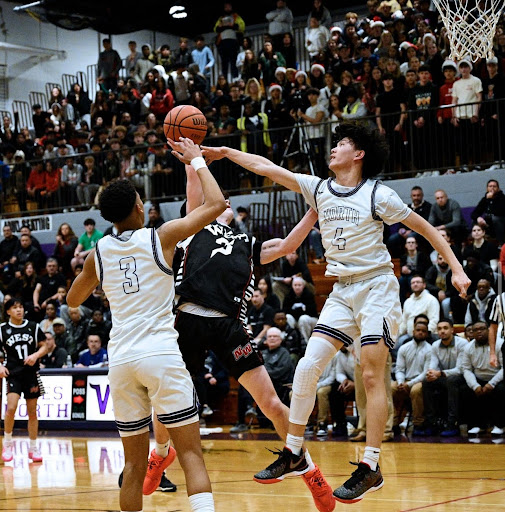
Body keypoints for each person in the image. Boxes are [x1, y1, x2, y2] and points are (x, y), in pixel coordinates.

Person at [201, 121, 470, 503]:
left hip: (376, 286)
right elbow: (265, 168)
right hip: (342, 290)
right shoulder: (318, 187)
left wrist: (456, 268)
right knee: (308, 367)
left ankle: (371, 465)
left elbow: (425, 227)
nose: (333, 148)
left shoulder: (378, 195)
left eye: (341, 144)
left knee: (373, 373)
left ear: (358, 154)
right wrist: (225, 153)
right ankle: (294, 452)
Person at [146, 157, 335, 511]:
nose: (226, 203)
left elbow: (285, 247)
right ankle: (159, 454)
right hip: (188, 319)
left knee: (271, 403)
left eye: (229, 201)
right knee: (165, 399)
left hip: (230, 325)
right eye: (221, 200)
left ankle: (308, 468)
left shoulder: (248, 242)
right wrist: (192, 155)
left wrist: (313, 211)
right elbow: (193, 183)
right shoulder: (194, 227)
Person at [66, 139, 227, 512]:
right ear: (140, 206)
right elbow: (217, 205)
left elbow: (73, 300)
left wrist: (106, 281)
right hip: (160, 353)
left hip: (121, 359)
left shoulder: (98, 253)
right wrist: (198, 161)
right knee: (191, 456)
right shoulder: (162, 236)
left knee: (133, 466)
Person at [0, 298, 48, 463]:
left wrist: (36, 355)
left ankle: (33, 447)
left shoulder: (33, 327)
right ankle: (7, 444)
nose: (19, 310)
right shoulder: (2, 329)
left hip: (31, 374)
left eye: (20, 307)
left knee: (33, 412)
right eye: (15, 308)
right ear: (8, 312)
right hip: (13, 374)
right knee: (11, 408)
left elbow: (45, 346)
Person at [422, 319, 467, 437]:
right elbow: (432, 366)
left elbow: (460, 369)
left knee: (452, 381)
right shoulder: (435, 345)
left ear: (452, 330)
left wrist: (440, 373)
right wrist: (431, 373)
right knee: (427, 381)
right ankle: (431, 423)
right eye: (440, 329)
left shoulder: (462, 343)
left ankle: (452, 423)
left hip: (462, 377)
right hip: (443, 376)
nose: (442, 331)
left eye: (445, 328)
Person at [460, 321, 504, 436]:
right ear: (472, 333)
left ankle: (499, 425)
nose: (479, 331)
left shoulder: (500, 344)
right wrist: (475, 386)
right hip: (478, 379)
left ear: (489, 330)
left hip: (498, 378)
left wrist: (492, 384)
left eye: (482, 328)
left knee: (501, 390)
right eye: (475, 330)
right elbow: (466, 369)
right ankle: (477, 425)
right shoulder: (468, 347)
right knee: (465, 390)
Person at [392, 321, 432, 436]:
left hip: (421, 382)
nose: (420, 333)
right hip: (404, 380)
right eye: (418, 330)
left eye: (423, 331)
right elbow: (399, 369)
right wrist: (400, 382)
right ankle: (393, 424)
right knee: (390, 388)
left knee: (416, 390)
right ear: (413, 332)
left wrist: (409, 385)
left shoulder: (430, 349)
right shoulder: (404, 348)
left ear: (427, 334)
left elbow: (425, 373)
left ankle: (418, 424)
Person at [397, 275, 439, 345]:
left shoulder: (431, 300)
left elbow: (434, 320)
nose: (415, 284)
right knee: (395, 344)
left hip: (426, 335)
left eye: (418, 282)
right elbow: (404, 322)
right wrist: (397, 335)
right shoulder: (408, 301)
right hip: (409, 336)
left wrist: (424, 333)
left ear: (424, 285)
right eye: (413, 283)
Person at [214, 3, 245, 80]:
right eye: (226, 7)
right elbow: (215, 29)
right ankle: (225, 81)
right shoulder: (221, 18)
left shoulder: (236, 17)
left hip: (233, 41)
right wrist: (220, 26)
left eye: (229, 7)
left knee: (233, 61)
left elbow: (242, 26)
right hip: (223, 42)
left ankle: (235, 79)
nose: (227, 8)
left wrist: (233, 25)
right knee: (224, 63)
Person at [283, 276, 318, 344]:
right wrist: (301, 310)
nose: (297, 287)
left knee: (303, 318)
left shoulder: (309, 295)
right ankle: (291, 341)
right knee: (288, 317)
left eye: (299, 285)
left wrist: (296, 311)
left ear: (303, 286)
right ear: (292, 286)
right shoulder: (288, 296)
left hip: (310, 319)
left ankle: (305, 342)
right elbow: (285, 311)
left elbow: (312, 311)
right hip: (296, 320)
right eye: (295, 285)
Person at [328, 347, 355, 437]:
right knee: (335, 390)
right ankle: (340, 424)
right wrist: (345, 380)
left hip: (363, 384)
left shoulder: (357, 351)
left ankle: (362, 425)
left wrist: (355, 384)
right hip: (349, 383)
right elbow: (339, 373)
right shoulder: (339, 355)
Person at [471, 179, 505, 245]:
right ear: (487, 188)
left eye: (494, 186)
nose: (492, 188)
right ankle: (477, 244)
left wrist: (490, 200)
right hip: (489, 224)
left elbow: (499, 212)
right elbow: (474, 213)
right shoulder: (485, 199)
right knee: (475, 221)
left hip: (501, 222)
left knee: (495, 219)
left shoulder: (502, 198)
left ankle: (502, 243)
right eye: (490, 186)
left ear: (498, 188)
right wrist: (478, 218)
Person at [314, 353, 338, 436]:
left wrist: (317, 385)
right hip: (314, 384)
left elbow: (332, 377)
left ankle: (322, 423)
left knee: (321, 392)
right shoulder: (311, 355)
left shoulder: (334, 355)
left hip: (328, 384)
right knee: (293, 393)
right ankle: (306, 423)